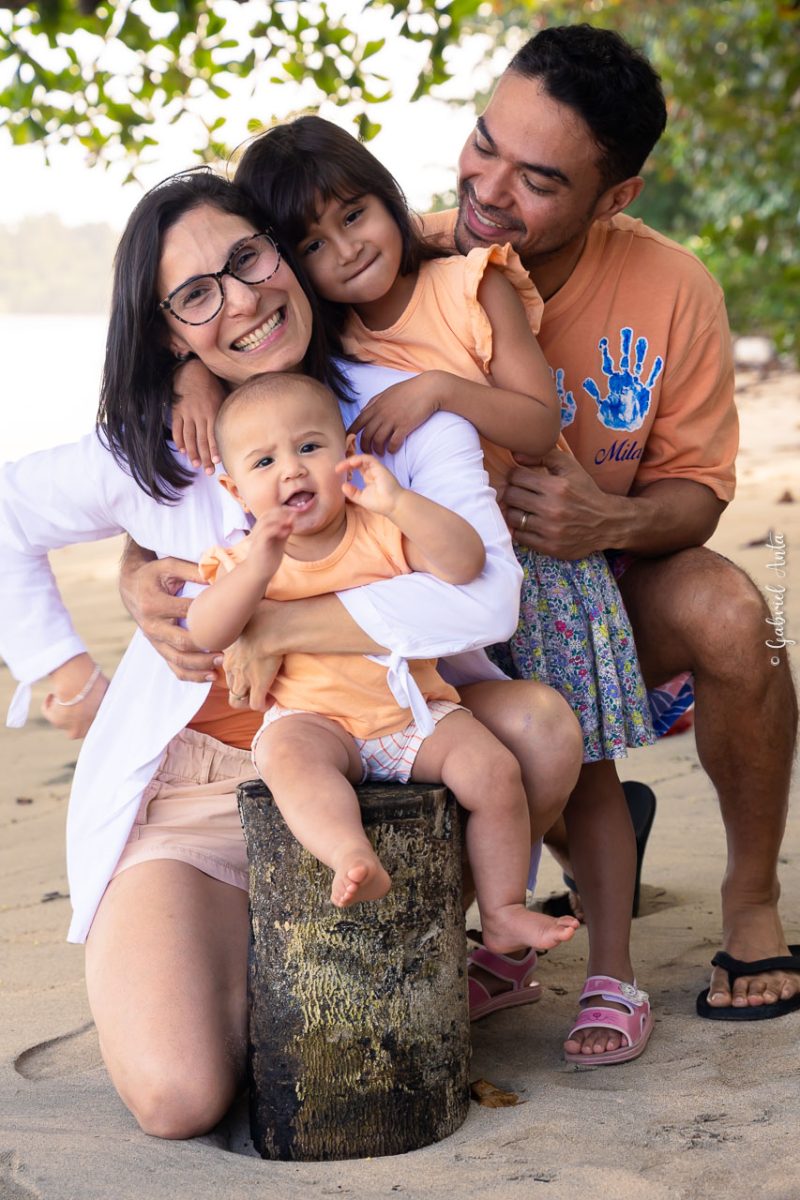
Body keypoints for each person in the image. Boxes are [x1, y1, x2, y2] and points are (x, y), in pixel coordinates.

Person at [0, 169, 582, 1138]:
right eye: (196, 294)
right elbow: (9, 512)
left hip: (379, 748)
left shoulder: (391, 415)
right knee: (179, 1099)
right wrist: (67, 677)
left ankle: (436, 936)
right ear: (168, 331)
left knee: (537, 731)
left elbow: (486, 594)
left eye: (247, 259)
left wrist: (279, 627)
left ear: (282, 254)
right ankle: (242, 959)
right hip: (200, 786)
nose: (239, 299)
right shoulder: (157, 448)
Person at [424, 22, 797, 1025]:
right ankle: (569, 837)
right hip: (443, 621)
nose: (488, 188)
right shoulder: (396, 261)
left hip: (596, 601)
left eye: (538, 179)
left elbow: (700, 494)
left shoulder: (672, 287)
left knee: (741, 617)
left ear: (614, 196)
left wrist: (606, 518)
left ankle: (751, 900)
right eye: (484, 143)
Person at [188, 372, 579, 954]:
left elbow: (466, 564)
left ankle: (502, 911)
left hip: (413, 714)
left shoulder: (381, 530)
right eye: (264, 462)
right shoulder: (245, 558)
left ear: (347, 455)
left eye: (309, 447)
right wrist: (257, 570)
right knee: (288, 760)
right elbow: (206, 631)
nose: (292, 470)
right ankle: (350, 854)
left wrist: (398, 502)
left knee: (494, 772)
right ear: (235, 489)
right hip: (314, 718)